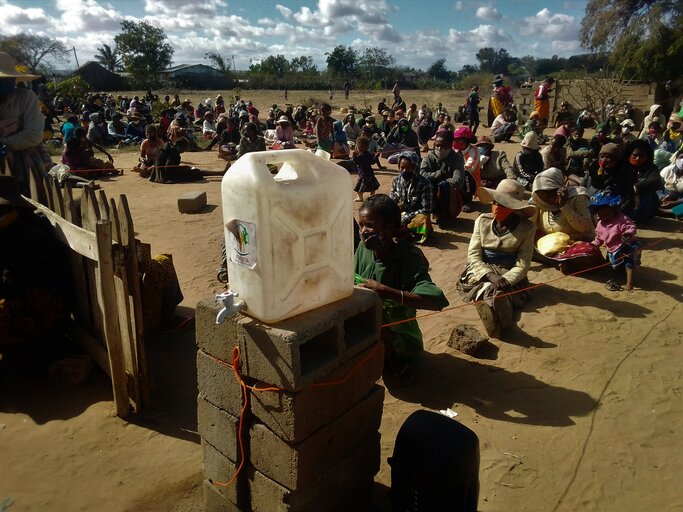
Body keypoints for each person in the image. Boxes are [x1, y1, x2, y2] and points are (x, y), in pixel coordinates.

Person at [354, 194, 448, 383]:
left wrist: (383, 291)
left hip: (399, 334)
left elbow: (436, 300)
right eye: (361, 225)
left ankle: (398, 362)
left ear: (389, 228)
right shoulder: (364, 249)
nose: (363, 231)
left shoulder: (407, 259)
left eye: (369, 225)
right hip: (367, 320)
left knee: (377, 328)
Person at [457, 179, 536, 338]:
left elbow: (523, 263)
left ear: (513, 208)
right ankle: (496, 311)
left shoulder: (527, 227)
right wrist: (490, 275)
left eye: (502, 204)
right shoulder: (482, 221)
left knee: (502, 288)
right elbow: (473, 254)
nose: (497, 207)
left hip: (509, 269)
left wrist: (505, 279)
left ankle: (499, 310)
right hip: (484, 267)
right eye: (495, 202)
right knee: (483, 284)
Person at [0, 175, 73, 345]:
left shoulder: (27, 237)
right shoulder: (17, 227)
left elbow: (11, 284)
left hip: (41, 313)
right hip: (27, 301)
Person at [590, 191, 640, 291]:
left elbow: (632, 227)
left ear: (615, 208)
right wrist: (594, 244)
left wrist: (628, 233)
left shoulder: (622, 219)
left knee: (628, 264)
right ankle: (617, 274)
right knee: (611, 263)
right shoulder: (600, 224)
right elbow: (599, 237)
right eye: (601, 214)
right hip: (611, 248)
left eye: (607, 213)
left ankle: (629, 284)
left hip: (627, 245)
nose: (604, 216)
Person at [419, 130, 470, 225]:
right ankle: (425, 213)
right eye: (437, 145)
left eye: (443, 146)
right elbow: (422, 174)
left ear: (450, 146)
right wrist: (440, 174)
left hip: (449, 193)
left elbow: (458, 181)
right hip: (431, 189)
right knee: (425, 185)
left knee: (443, 186)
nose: (439, 148)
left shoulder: (457, 159)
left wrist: (438, 180)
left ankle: (444, 215)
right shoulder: (430, 156)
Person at [531, 167, 594, 241]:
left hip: (577, 242)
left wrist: (564, 206)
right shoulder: (539, 201)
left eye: (548, 195)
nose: (546, 200)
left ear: (558, 188)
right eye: (541, 196)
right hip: (550, 245)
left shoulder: (579, 197)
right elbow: (529, 225)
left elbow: (585, 228)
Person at [390, 151, 433, 243]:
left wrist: (406, 217)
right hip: (399, 215)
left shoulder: (425, 183)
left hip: (415, 217)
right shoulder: (396, 181)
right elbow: (392, 201)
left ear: (415, 167)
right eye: (402, 168)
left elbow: (426, 209)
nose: (404, 171)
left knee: (423, 219)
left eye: (408, 168)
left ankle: (410, 233)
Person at [583, 143, 636, 215]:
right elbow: (582, 189)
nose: (604, 160)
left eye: (608, 157)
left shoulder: (624, 175)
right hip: (588, 209)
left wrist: (614, 214)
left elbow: (629, 201)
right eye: (602, 156)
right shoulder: (593, 170)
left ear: (617, 160)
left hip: (610, 214)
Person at [624, 139, 662, 223]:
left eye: (642, 156)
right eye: (635, 155)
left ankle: (639, 216)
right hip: (624, 201)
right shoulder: (622, 167)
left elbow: (655, 180)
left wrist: (636, 187)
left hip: (642, 207)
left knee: (645, 182)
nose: (638, 158)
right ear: (629, 155)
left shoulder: (651, 168)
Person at [352, 136, 380, 202]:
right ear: (368, 147)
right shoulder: (368, 154)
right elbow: (372, 162)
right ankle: (372, 197)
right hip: (370, 174)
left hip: (363, 175)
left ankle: (360, 198)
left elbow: (356, 162)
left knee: (359, 188)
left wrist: (354, 156)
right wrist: (375, 157)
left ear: (357, 147)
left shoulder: (360, 155)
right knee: (372, 188)